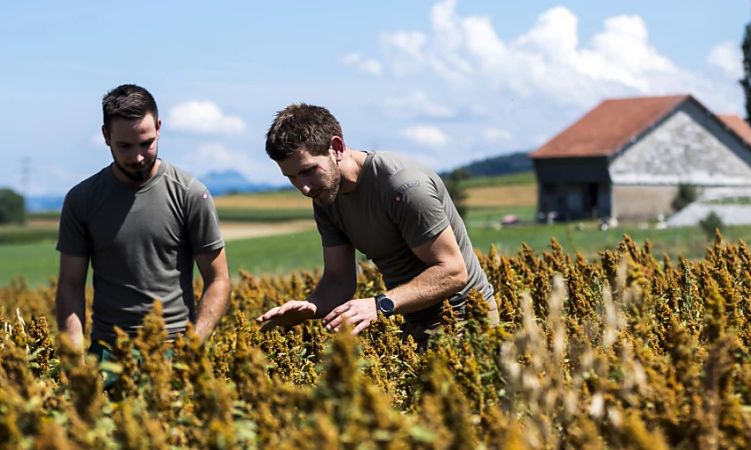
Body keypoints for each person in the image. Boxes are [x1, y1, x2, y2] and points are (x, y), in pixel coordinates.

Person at [256, 103, 498, 347]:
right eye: (292, 178)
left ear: (337, 148)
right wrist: (311, 306)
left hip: (467, 322)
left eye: (308, 171)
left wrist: (379, 304)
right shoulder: (325, 196)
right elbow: (339, 279)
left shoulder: (404, 188)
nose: (304, 188)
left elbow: (453, 271)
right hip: (414, 321)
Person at [55, 84, 231, 359]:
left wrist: (193, 345)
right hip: (109, 353)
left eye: (146, 143)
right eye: (124, 146)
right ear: (106, 136)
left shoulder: (191, 194)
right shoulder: (82, 200)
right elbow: (70, 284)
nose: (137, 157)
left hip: (174, 349)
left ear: (159, 128)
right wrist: (74, 357)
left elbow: (218, 280)